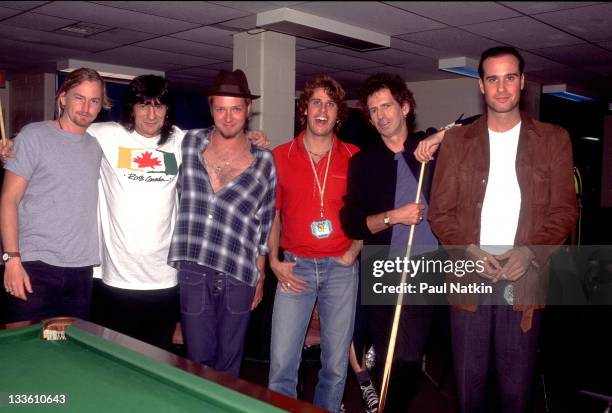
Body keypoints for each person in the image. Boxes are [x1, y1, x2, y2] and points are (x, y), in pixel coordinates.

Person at [428, 46, 578, 412]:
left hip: (523, 276)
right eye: (492, 79)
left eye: (509, 77)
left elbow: (564, 211)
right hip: (469, 275)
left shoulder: (554, 139)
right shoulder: (457, 142)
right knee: (469, 389)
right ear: (481, 85)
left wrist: (530, 251)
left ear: (522, 82)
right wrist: (468, 250)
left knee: (515, 392)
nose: (501, 88)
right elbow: (439, 213)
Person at [167, 69, 276, 376]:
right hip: (194, 267)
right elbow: (141, 134)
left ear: (248, 110)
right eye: (221, 108)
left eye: (236, 109)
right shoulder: (186, 144)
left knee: (230, 362)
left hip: (240, 272)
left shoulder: (264, 161)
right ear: (211, 108)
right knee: (198, 359)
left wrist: (262, 274)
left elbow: (264, 221)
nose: (228, 117)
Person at [340, 72, 439, 412]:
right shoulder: (364, 164)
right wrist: (394, 216)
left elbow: (474, 127)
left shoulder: (431, 151)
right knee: (389, 354)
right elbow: (352, 223)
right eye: (373, 109)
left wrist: (440, 136)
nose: (381, 115)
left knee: (409, 355)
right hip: (383, 268)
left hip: (427, 268)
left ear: (405, 107)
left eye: (387, 105)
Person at [267, 75, 361, 413]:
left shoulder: (354, 156)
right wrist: (274, 261)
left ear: (339, 114)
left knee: (335, 367)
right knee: (281, 366)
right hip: (296, 268)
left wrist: (354, 251)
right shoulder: (280, 155)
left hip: (340, 268)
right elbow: (273, 215)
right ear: (304, 109)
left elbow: (367, 213)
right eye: (316, 102)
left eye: (330, 104)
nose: (322, 110)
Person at [1, 68, 110, 322]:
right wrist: (12, 260)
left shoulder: (95, 146)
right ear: (62, 98)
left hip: (81, 270)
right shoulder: (33, 135)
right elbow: (8, 200)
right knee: (24, 348)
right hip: (34, 265)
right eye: (78, 98)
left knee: (67, 350)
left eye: (94, 100)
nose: (86, 107)